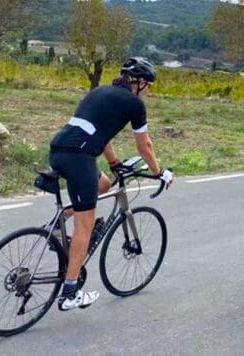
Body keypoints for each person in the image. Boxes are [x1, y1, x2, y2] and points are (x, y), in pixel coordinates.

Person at [47, 57, 174, 311]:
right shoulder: (134, 103)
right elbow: (144, 145)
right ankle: (70, 291)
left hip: (58, 149)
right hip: (79, 157)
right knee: (85, 226)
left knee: (103, 184)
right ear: (138, 83)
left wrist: (115, 163)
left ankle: (55, 225)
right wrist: (159, 172)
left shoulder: (99, 92)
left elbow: (100, 134)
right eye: (148, 85)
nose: (148, 91)